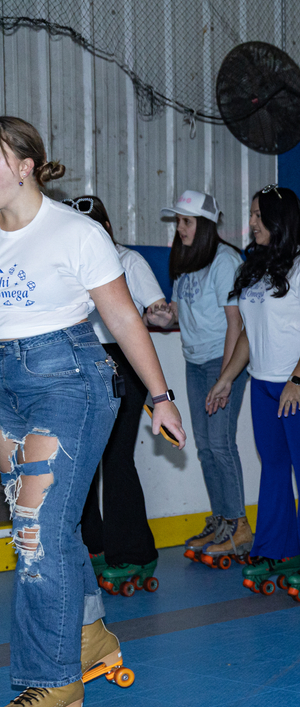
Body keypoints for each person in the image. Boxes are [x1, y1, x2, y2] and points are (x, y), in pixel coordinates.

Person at [0, 116, 184, 707]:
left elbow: (126, 320)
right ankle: (90, 635)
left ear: (25, 164)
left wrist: (160, 396)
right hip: (6, 390)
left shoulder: (76, 233)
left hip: (68, 381)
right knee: (46, 525)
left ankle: (49, 681)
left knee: (34, 530)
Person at [206, 185, 300, 602]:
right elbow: (249, 333)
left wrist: (297, 381)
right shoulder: (257, 269)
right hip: (265, 383)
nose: (251, 224)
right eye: (251, 216)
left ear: (279, 220)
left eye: (257, 216)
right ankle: (277, 551)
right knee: (273, 466)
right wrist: (227, 377)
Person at [66, 196, 168, 594]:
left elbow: (154, 309)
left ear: (106, 228)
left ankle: (136, 552)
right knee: (86, 455)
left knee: (116, 455)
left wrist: (160, 314)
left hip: (124, 359)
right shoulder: (71, 261)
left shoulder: (129, 261)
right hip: (84, 361)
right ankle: (95, 545)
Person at [147, 190, 252, 563]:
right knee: (206, 447)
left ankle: (240, 526)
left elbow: (235, 323)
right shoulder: (188, 262)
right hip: (195, 363)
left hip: (220, 363)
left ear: (205, 225)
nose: (180, 228)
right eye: (178, 221)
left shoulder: (225, 261)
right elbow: (175, 313)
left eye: (186, 222)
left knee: (221, 444)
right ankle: (223, 519)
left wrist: (225, 377)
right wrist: (157, 315)